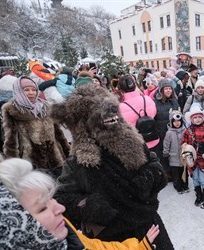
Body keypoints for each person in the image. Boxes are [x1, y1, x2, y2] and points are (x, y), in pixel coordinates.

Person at [50, 84, 174, 249]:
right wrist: (91, 206)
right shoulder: (78, 162)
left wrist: (149, 178)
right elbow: (62, 198)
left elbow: (154, 165)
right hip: (112, 239)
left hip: (148, 225)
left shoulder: (134, 143)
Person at [0, 156, 160, 250]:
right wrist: (87, 205)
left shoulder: (62, 229)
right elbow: (66, 195)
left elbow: (93, 247)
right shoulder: (75, 163)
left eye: (51, 198)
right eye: (42, 207)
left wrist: (138, 247)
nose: (60, 208)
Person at [2, 76, 69, 172]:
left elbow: (58, 133)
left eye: (34, 89)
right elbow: (10, 139)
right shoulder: (12, 110)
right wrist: (13, 163)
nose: (31, 92)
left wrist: (67, 152)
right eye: (26, 90)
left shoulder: (46, 106)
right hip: (31, 160)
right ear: (19, 91)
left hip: (55, 157)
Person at [182, 106, 204, 209]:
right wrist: (186, 150)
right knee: (195, 178)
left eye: (199, 117)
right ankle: (198, 195)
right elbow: (183, 142)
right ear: (192, 119)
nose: (197, 119)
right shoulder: (188, 131)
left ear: (202, 118)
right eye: (195, 117)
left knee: (203, 179)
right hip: (192, 160)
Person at [118, 74, 158, 149]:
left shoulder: (121, 107)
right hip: (153, 138)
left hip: (136, 144)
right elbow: (154, 113)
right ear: (134, 85)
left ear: (121, 89)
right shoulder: (147, 99)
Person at [154, 78, 180, 176]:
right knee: (163, 152)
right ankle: (166, 173)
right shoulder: (155, 102)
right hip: (162, 131)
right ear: (161, 90)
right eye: (166, 89)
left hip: (173, 131)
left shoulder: (174, 101)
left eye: (170, 88)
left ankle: (174, 172)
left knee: (173, 152)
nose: (168, 90)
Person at [163, 110, 188, 194]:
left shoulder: (185, 131)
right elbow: (166, 143)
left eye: (178, 121)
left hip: (183, 157)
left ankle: (185, 185)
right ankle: (178, 186)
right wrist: (165, 152)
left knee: (184, 172)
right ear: (171, 122)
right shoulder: (169, 133)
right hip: (173, 157)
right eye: (175, 121)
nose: (177, 123)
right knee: (176, 174)